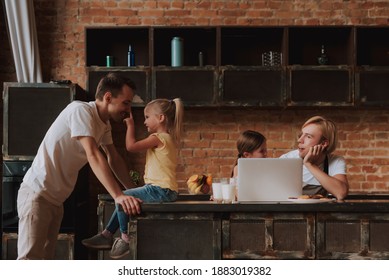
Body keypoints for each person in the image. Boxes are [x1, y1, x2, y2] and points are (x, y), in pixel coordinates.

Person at [16, 73, 143, 260]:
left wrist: (133, 191)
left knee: (45, 262)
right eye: (125, 102)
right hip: (37, 194)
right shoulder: (80, 110)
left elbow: (113, 158)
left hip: (56, 200)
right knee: (29, 262)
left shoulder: (104, 123)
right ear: (108, 97)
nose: (128, 109)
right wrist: (118, 196)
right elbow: (93, 154)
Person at [82, 98, 184, 259]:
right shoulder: (167, 138)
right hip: (164, 190)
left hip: (160, 190)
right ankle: (107, 234)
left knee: (123, 197)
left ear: (161, 118)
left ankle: (125, 238)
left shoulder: (158, 138)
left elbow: (131, 147)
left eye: (147, 117)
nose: (144, 122)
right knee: (124, 197)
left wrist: (130, 125)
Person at [280, 116, 349, 200]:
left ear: (323, 143)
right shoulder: (287, 159)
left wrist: (310, 164)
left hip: (319, 212)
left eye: (308, 136)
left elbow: (341, 193)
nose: (300, 140)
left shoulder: (335, 161)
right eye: (301, 135)